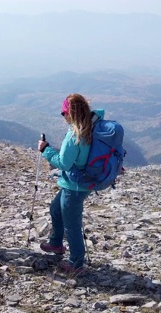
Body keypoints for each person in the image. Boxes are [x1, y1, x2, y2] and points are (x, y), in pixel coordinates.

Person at [38, 93, 95, 275]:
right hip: (78, 183)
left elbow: (63, 163)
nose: (63, 117)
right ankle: (56, 243)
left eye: (64, 113)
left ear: (70, 113)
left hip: (75, 185)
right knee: (56, 209)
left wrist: (46, 150)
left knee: (72, 224)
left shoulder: (75, 134)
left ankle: (76, 262)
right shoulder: (91, 125)